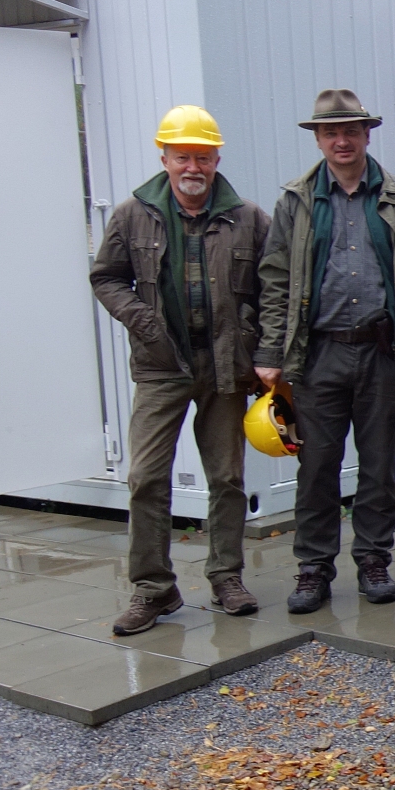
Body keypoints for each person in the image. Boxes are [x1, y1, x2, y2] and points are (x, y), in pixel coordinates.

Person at [90, 106, 270, 635]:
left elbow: (273, 289)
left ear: (216, 160)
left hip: (226, 365)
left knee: (227, 477)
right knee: (145, 476)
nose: (193, 167)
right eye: (183, 156)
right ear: (165, 157)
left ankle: (226, 577)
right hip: (160, 364)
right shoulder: (132, 215)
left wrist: (262, 347)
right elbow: (106, 277)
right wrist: (143, 322)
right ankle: (153, 589)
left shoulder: (249, 218)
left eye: (203, 157)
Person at [256, 90, 395, 614]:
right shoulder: (296, 201)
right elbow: (275, 279)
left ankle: (374, 560)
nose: (342, 140)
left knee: (379, 466)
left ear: (367, 134)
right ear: (318, 139)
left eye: (351, 130)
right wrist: (270, 351)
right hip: (318, 355)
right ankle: (313, 569)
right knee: (316, 467)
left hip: (381, 352)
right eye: (331, 132)